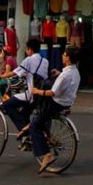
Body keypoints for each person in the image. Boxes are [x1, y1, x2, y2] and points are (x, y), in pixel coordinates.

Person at [30, 44, 81, 174]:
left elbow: (52, 93)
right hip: (67, 102)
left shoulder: (65, 75)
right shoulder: (74, 72)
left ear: (68, 58)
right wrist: (58, 73)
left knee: (34, 126)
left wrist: (37, 91)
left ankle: (46, 154)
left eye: (64, 54)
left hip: (55, 103)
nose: (62, 56)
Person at [0, 38, 48, 135]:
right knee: (24, 113)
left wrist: (0, 76)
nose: (26, 51)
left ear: (30, 49)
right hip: (41, 95)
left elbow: (14, 73)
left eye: (26, 49)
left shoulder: (28, 60)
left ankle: (24, 130)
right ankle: (28, 137)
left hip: (31, 94)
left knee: (6, 104)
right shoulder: (45, 61)